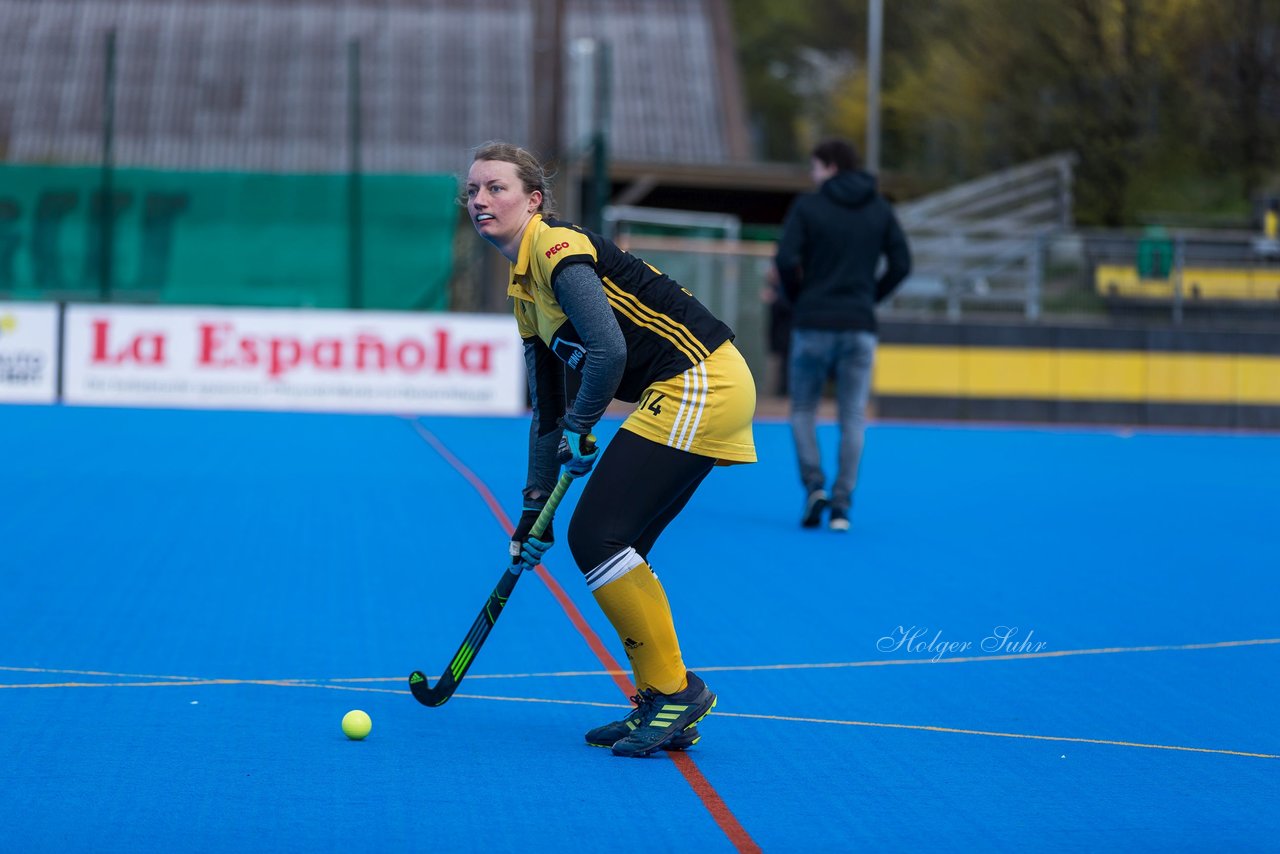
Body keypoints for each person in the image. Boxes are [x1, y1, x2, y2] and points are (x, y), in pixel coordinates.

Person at [464, 141, 757, 758]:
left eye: (495, 188)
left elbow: (608, 352)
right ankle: (662, 699)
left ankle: (675, 692)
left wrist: (583, 422)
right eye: (472, 191)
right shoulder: (526, 295)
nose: (480, 200)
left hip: (700, 378)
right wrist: (532, 507)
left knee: (596, 535)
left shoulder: (556, 248)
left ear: (534, 200)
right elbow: (547, 409)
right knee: (617, 547)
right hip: (685, 386)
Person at [774, 138, 911, 532]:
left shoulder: (809, 206)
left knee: (802, 410)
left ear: (830, 166)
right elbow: (902, 264)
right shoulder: (880, 207)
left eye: (816, 167)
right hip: (858, 325)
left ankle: (814, 485)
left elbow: (785, 259)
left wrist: (797, 299)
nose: (813, 175)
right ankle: (842, 504)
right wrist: (870, 298)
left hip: (813, 321)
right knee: (852, 416)